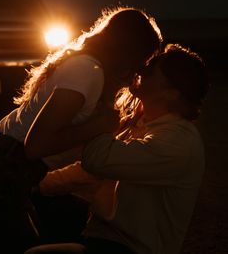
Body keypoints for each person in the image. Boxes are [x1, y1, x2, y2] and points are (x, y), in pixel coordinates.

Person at [0, 6, 162, 253]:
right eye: (143, 59)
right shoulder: (86, 72)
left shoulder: (91, 70)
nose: (140, 69)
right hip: (4, 169)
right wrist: (97, 127)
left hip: (11, 170)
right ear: (129, 52)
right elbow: (35, 146)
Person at [24, 43, 210, 254]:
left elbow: (98, 159)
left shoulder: (178, 143)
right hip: (109, 237)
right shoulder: (148, 126)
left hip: (130, 248)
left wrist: (105, 101)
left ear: (171, 93)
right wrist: (36, 186)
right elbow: (91, 172)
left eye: (150, 69)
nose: (140, 70)